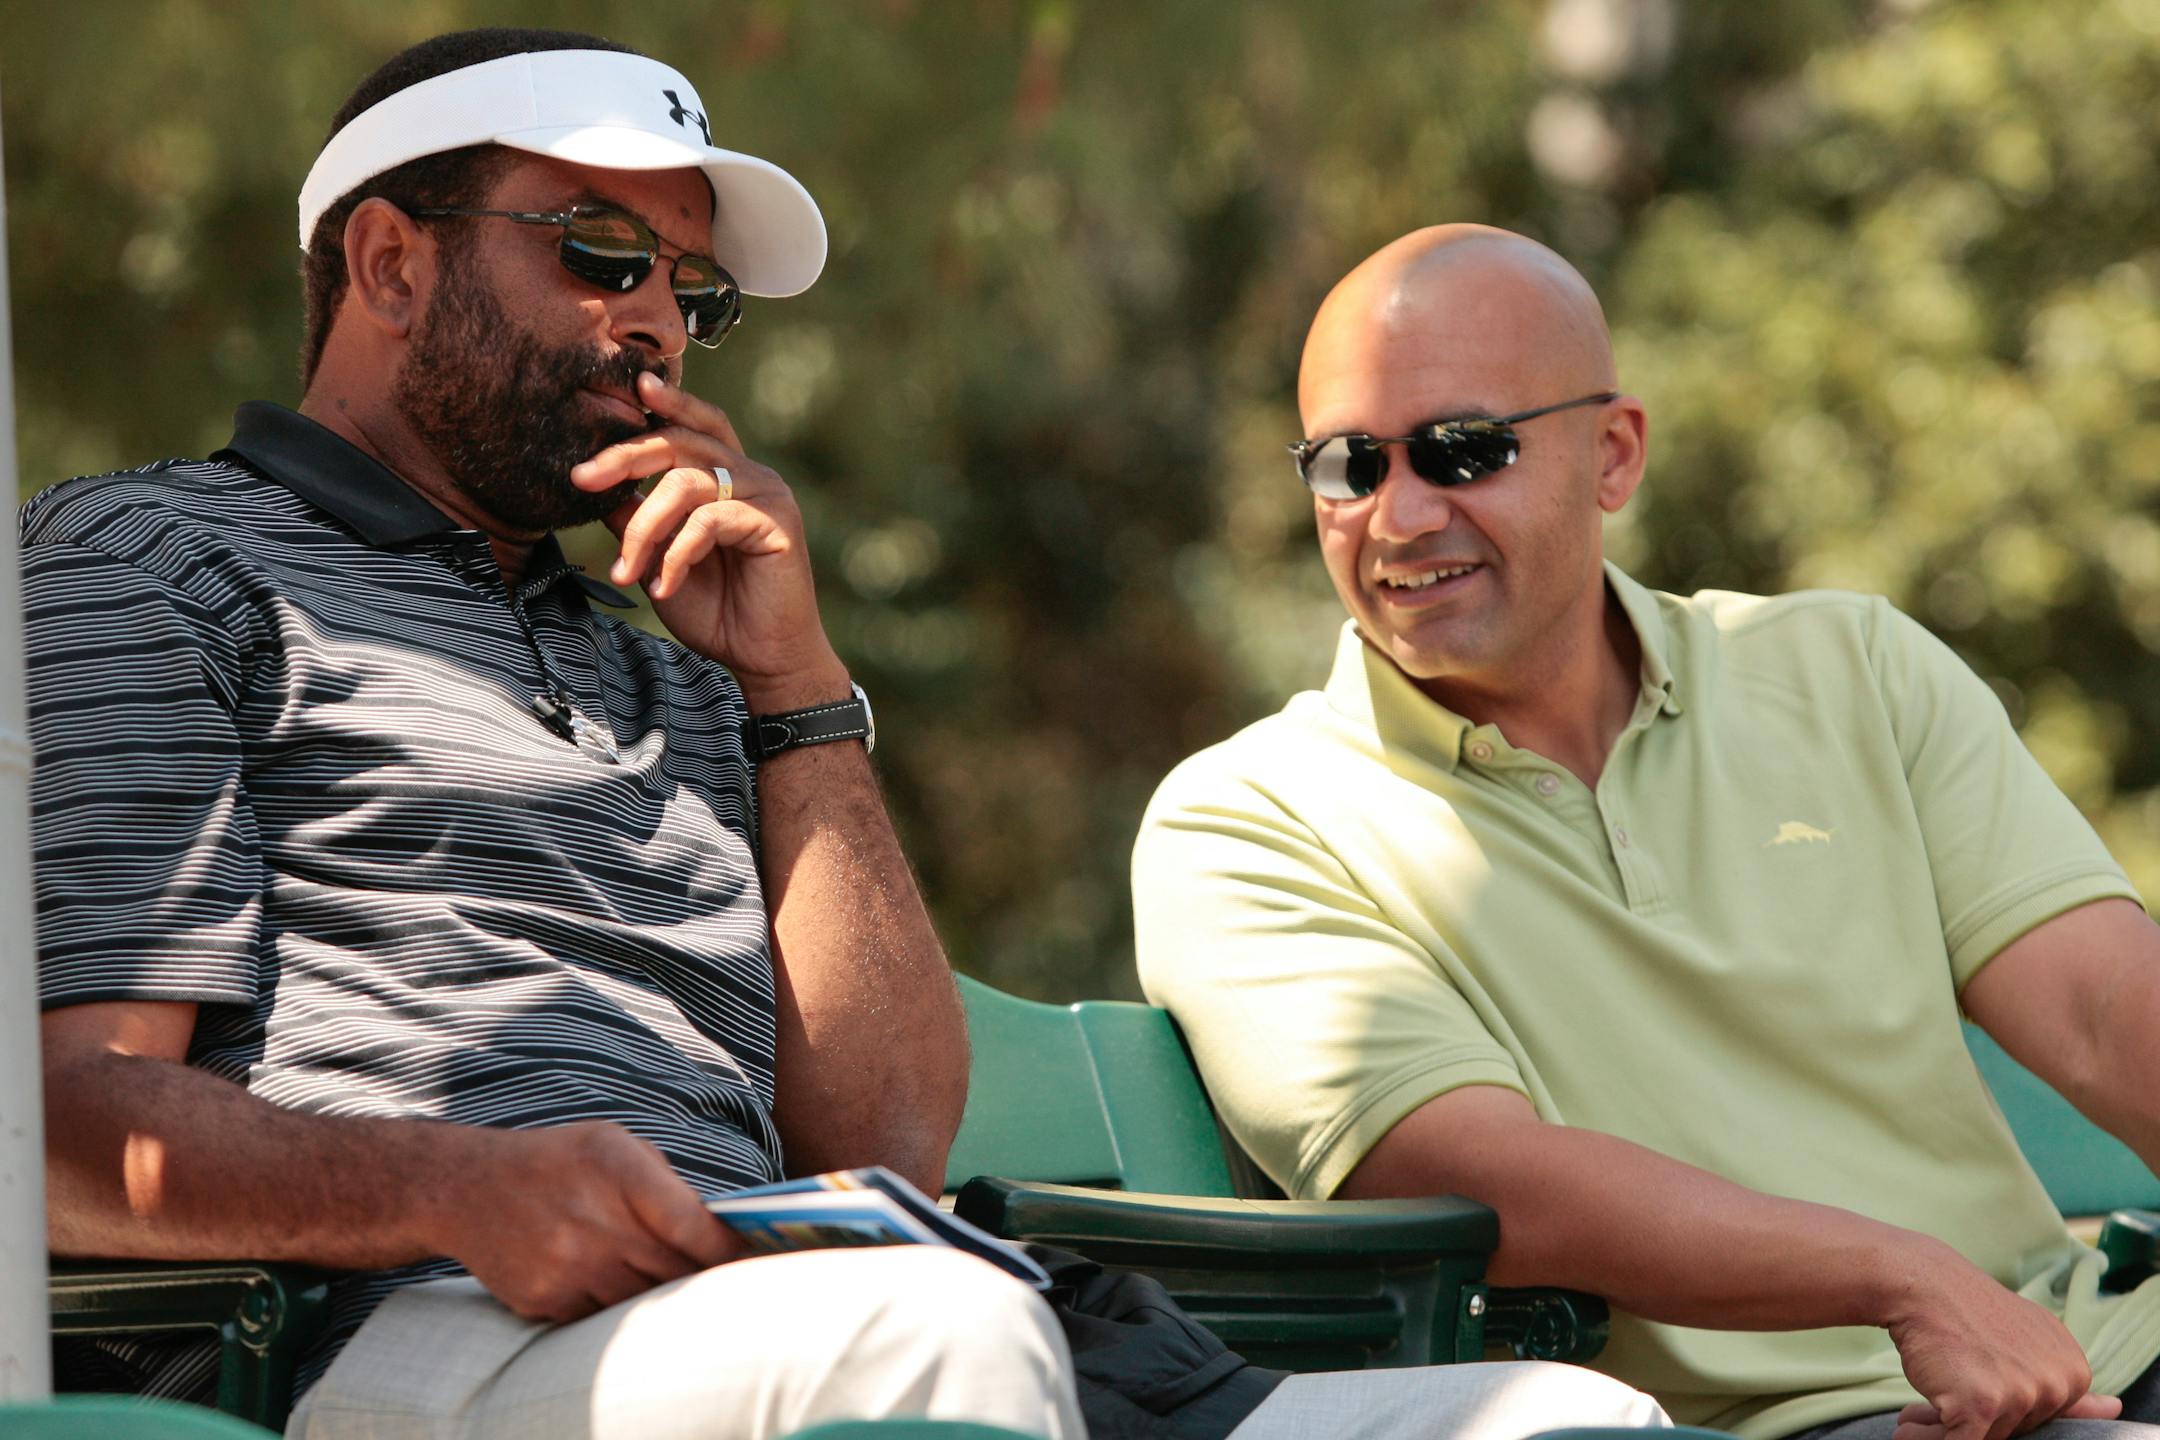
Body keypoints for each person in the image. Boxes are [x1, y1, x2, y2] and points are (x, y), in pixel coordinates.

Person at [25, 32, 1674, 1440]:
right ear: (393, 264)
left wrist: (793, 684)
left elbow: (884, 1141)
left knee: (1563, 1417)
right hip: (376, 1326)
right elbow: (71, 1130)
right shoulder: (156, 565)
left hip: (803, 1311)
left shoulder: (672, 661)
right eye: (601, 254)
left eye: (692, 291)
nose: (656, 324)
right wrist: (449, 1188)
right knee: (930, 1346)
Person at [1131, 223, 2160, 1440]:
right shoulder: (1247, 825)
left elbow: (2102, 1012)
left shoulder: (1852, 669)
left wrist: (1953, 1298)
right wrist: (1904, 1279)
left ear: (1613, 455)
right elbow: (1485, 1187)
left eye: (1464, 450)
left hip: (2096, 1356)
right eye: (1349, 466)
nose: (1398, 515)